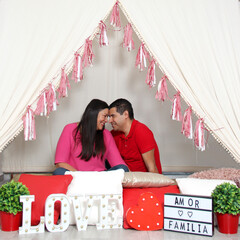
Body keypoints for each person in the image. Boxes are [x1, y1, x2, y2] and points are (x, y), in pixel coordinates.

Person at [53, 99, 129, 175]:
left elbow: (119, 164)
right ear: (94, 114)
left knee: (123, 168)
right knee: (59, 172)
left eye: (108, 117)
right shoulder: (69, 129)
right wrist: (82, 176)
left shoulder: (106, 134)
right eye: (105, 116)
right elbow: (60, 163)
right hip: (77, 177)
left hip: (99, 177)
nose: (107, 120)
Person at [109, 98, 162, 173]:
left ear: (125, 114)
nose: (110, 120)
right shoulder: (113, 134)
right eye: (109, 117)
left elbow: (152, 169)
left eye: (113, 116)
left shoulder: (141, 131)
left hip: (143, 181)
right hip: (126, 179)